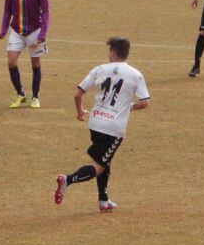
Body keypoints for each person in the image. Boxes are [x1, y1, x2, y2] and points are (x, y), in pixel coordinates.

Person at [54, 37, 150, 213]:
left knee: (105, 160)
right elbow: (144, 103)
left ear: (113, 52)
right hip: (114, 128)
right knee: (99, 165)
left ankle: (103, 200)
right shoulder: (135, 75)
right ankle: (67, 180)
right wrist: (131, 108)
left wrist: (80, 112)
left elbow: (77, 94)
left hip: (95, 123)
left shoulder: (99, 69)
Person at [0, 0, 50, 109]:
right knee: (11, 62)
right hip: (16, 31)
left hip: (34, 32)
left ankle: (35, 96)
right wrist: (3, 29)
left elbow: (46, 12)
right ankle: (20, 94)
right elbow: (7, 10)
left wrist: (43, 33)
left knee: (35, 63)